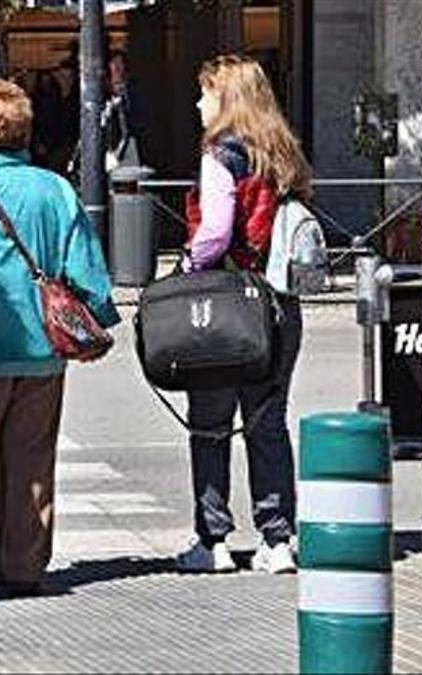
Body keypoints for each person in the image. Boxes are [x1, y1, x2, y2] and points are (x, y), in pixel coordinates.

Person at [0, 80, 119, 593]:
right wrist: (100, 321)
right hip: (42, 350)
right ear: (25, 132)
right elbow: (85, 269)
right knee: (33, 457)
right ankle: (25, 564)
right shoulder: (55, 189)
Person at [176, 54, 313, 575]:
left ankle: (212, 539)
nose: (198, 102)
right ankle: (277, 539)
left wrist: (187, 266)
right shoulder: (283, 154)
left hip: (228, 303)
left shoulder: (220, 154)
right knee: (267, 420)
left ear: (226, 98)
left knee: (210, 422)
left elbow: (214, 231)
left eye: (205, 92)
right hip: (280, 303)